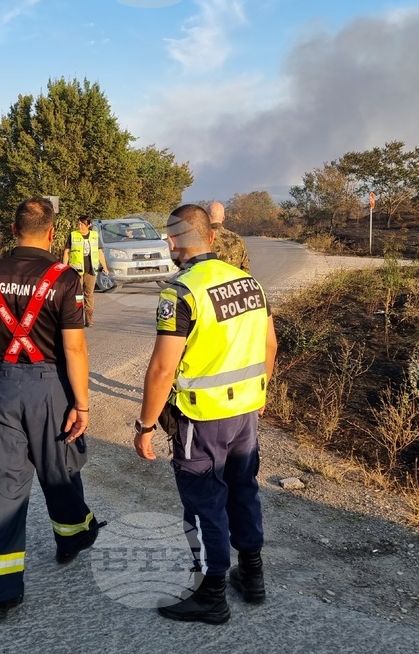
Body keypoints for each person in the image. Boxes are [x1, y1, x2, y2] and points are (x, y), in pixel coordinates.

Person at [134, 203, 277, 625]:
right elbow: (270, 346)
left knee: (202, 501)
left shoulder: (180, 292)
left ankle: (211, 592)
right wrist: (260, 391)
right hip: (246, 412)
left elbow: (162, 369)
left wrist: (145, 425)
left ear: (173, 240)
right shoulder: (251, 282)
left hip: (202, 420)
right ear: (212, 237)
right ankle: (252, 577)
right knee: (243, 489)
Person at [0, 197, 101, 622]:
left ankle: (1, 595)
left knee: (4, 485)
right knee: (59, 468)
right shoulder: (65, 278)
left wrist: (7, 352)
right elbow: (74, 346)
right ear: (51, 233)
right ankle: (72, 539)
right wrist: (81, 403)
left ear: (13, 229)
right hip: (51, 388)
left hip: (3, 387)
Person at [62, 214, 109, 327]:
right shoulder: (73, 235)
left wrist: (105, 267)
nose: (80, 225)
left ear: (89, 225)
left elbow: (100, 252)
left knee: (89, 294)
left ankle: (88, 317)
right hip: (76, 270)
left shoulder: (94, 235)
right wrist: (64, 268)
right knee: (77, 294)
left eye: (82, 223)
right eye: (78, 223)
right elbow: (66, 252)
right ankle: (77, 316)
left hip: (91, 269)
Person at [207, 201, 250, 272]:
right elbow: (245, 269)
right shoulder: (238, 239)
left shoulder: (200, 239)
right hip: (234, 281)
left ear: (206, 217)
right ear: (223, 218)